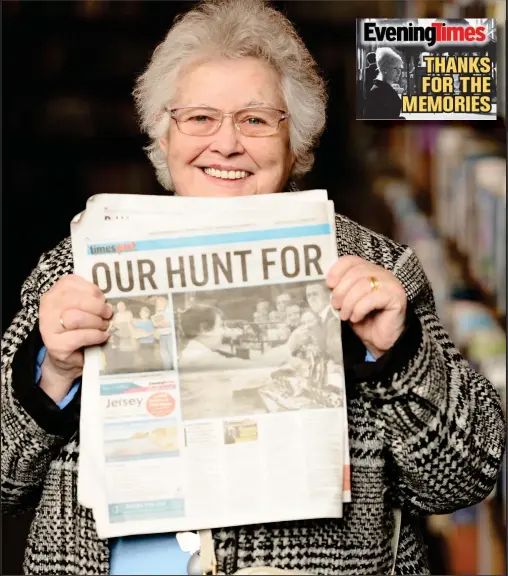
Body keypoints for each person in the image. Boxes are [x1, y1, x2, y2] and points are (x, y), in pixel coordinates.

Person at [1, 0, 505, 574]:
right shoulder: (76, 266)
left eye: (257, 119)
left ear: (297, 140)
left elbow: (466, 477)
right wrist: (51, 375)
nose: (226, 143)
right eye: (199, 118)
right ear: (163, 136)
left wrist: (399, 356)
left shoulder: (372, 268)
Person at [364, 47, 406, 119]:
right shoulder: (378, 92)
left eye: (400, 68)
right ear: (384, 70)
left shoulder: (384, 88)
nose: (399, 72)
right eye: (395, 68)